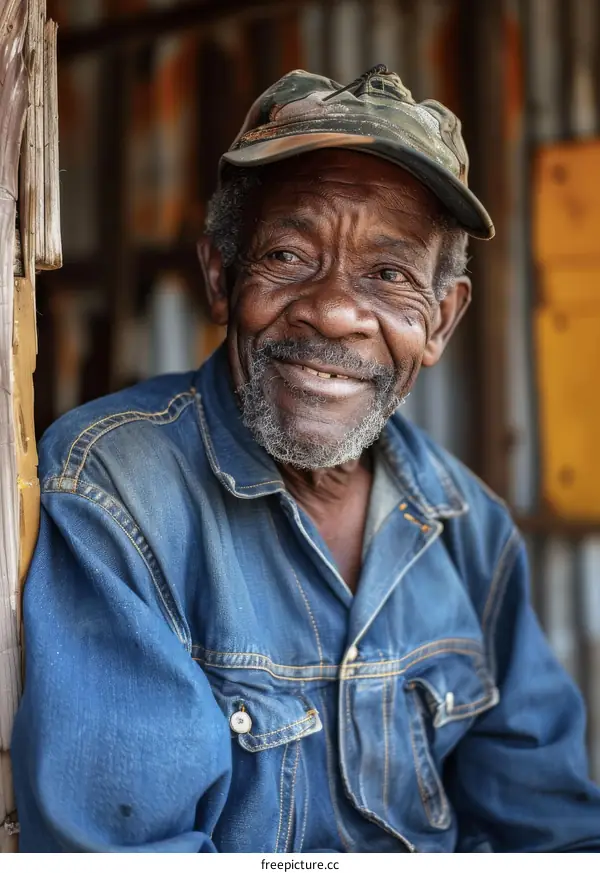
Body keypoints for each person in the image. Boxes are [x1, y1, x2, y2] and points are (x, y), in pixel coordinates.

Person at [12, 66, 600, 853]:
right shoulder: (117, 486)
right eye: (289, 256)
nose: (333, 309)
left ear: (442, 322)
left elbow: (552, 836)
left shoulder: (468, 527)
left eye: (389, 275)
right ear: (222, 276)